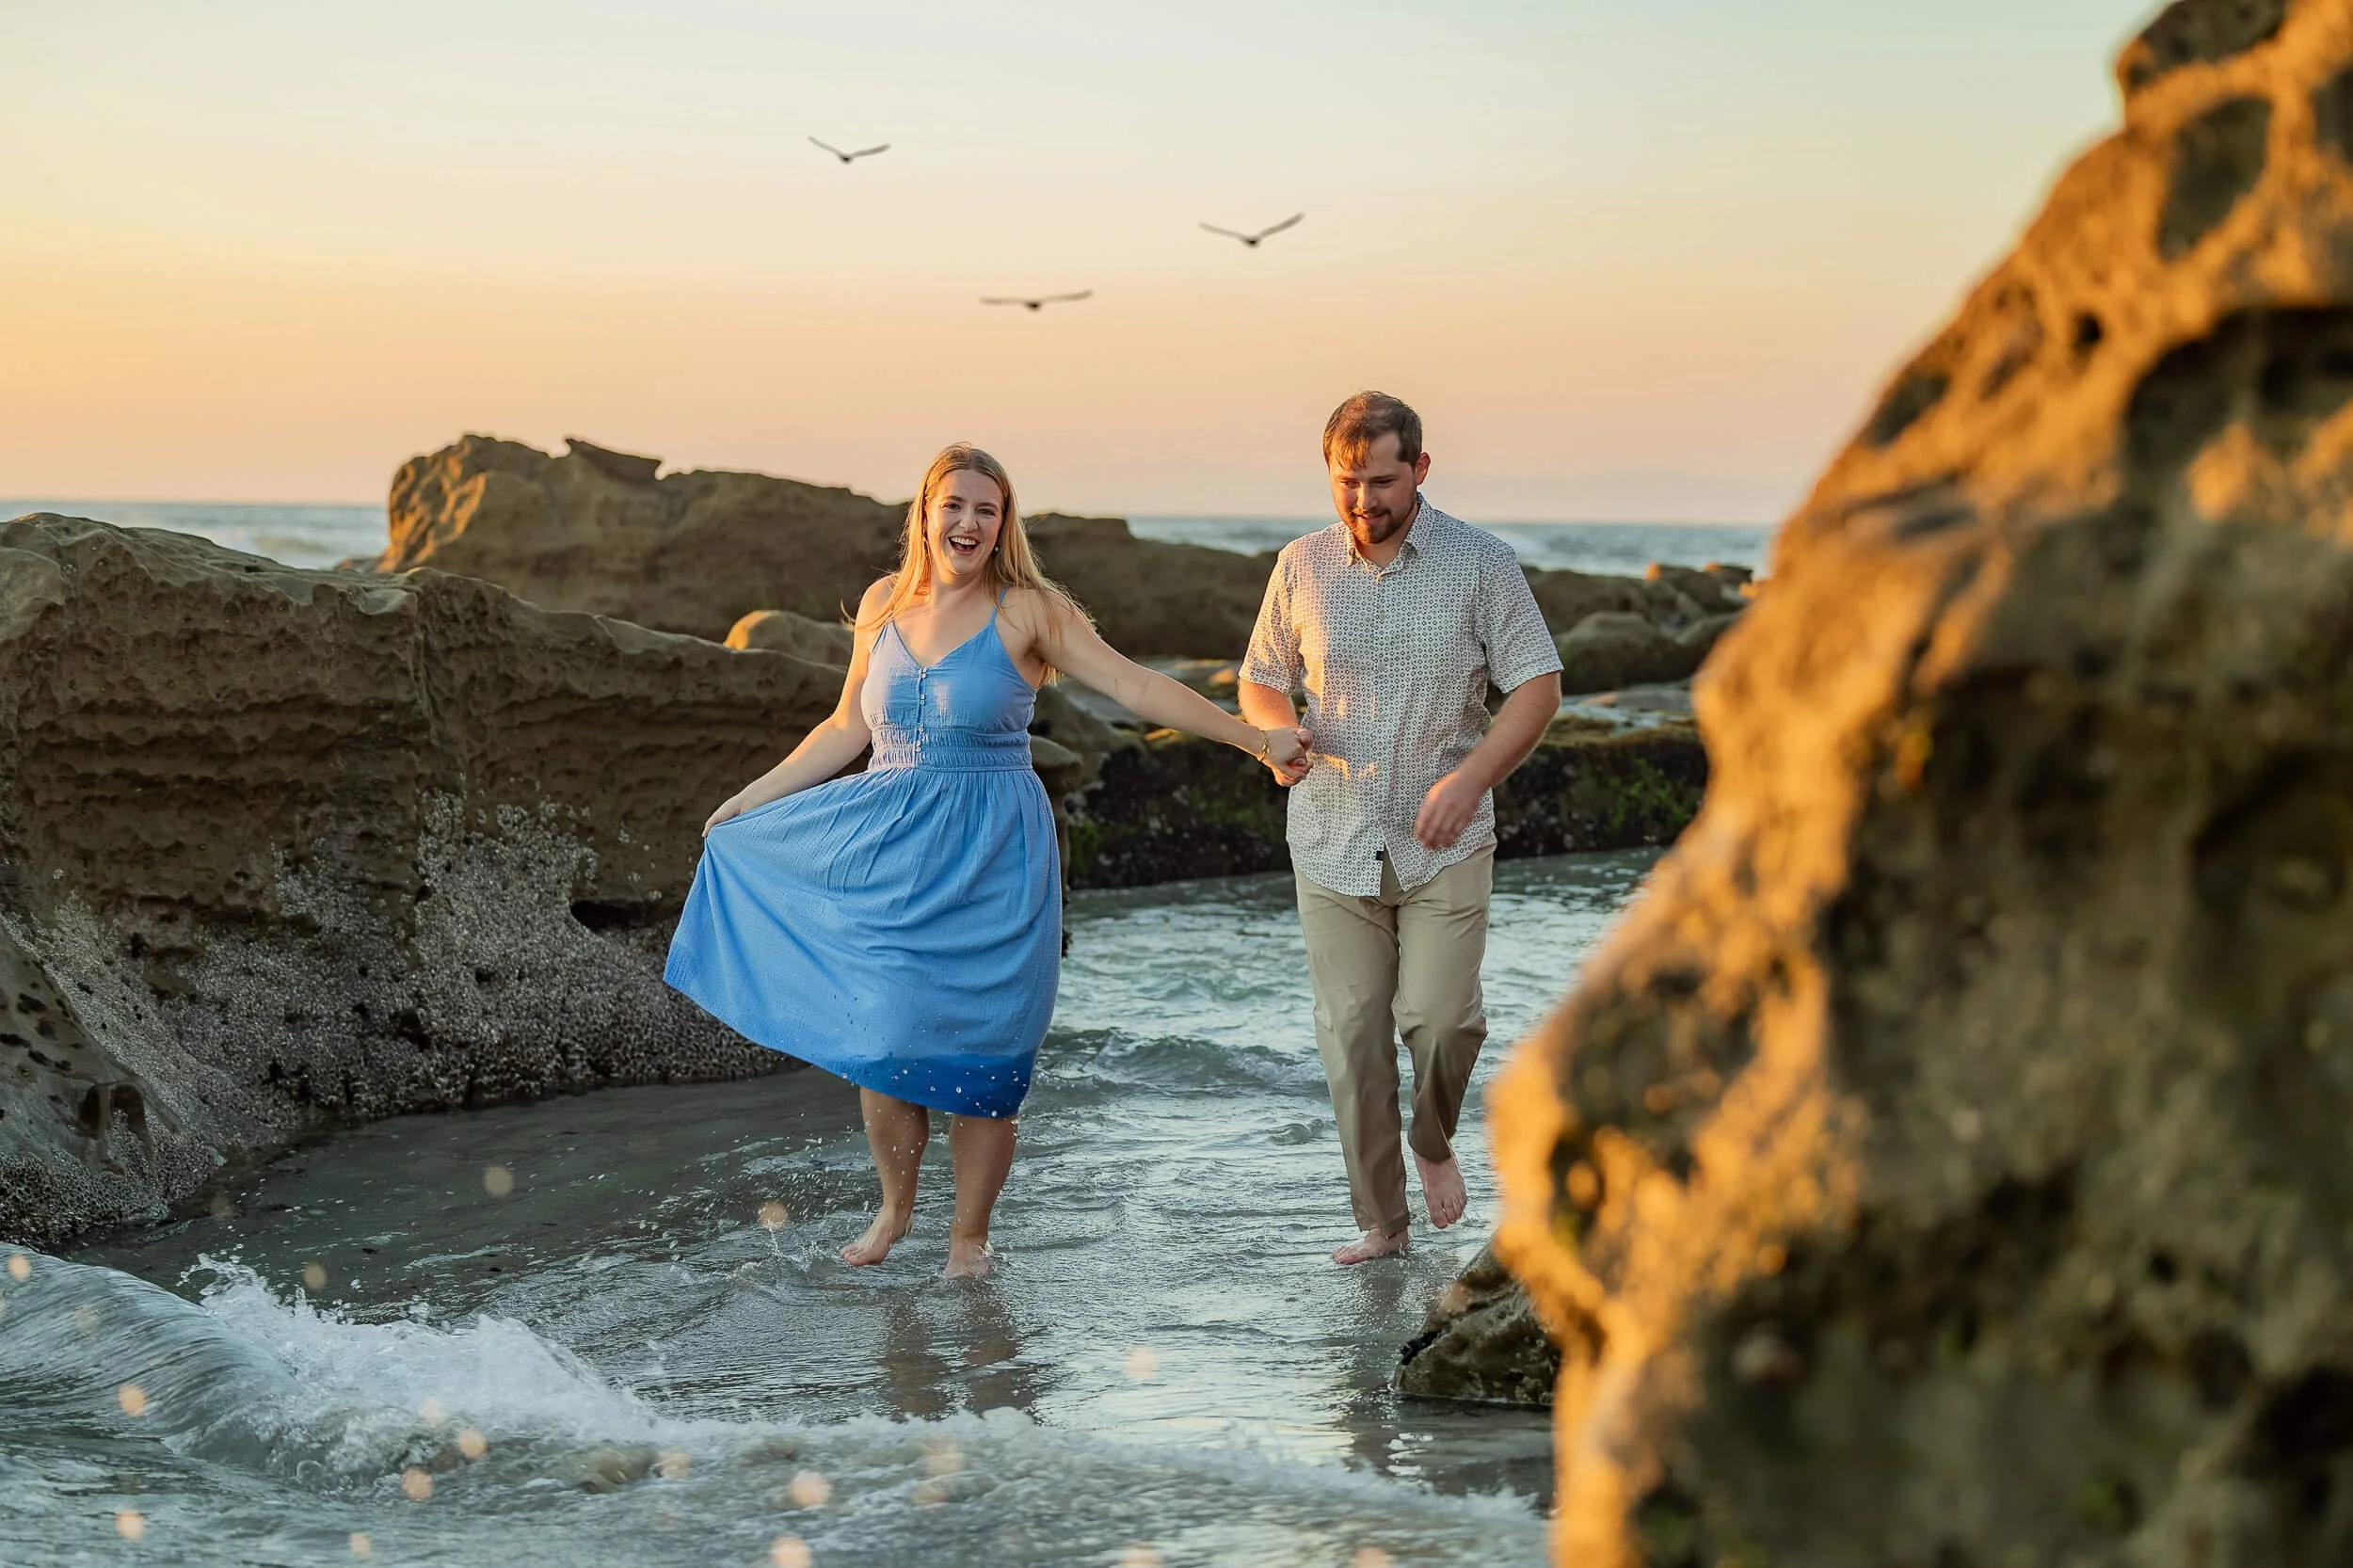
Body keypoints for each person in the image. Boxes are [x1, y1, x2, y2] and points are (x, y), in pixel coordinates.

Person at [666, 443, 1309, 1279]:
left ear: (1004, 524)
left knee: (988, 1053)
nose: (968, 523)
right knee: (886, 1033)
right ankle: (896, 1208)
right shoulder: (880, 605)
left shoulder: (1029, 613)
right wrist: (753, 798)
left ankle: (968, 1236)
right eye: (954, 506)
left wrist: (1254, 739)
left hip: (995, 852)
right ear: (925, 514)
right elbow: (844, 729)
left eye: (987, 510)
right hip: (891, 848)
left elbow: (1136, 688)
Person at [1240, 392, 1563, 1265]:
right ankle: (1383, 1225)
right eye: (1348, 481)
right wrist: (1273, 729)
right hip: (1331, 834)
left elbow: (1537, 684)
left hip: (1445, 838)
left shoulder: (1483, 565)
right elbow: (1263, 677)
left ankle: (1432, 1140)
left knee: (1443, 1019)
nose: (1363, 500)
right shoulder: (1300, 567)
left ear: (1420, 469)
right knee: (1352, 1037)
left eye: (1382, 480)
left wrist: (1472, 778)